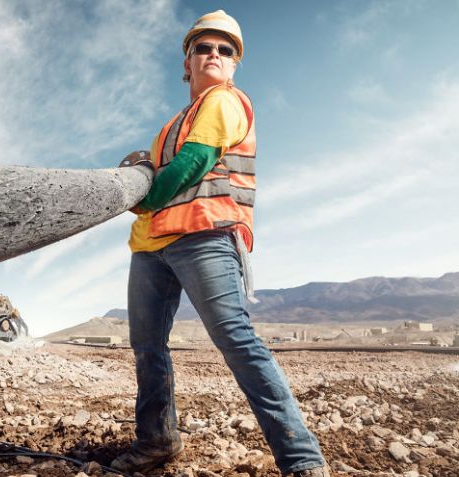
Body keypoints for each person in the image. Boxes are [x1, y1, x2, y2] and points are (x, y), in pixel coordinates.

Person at [112, 10, 330, 476]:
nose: (214, 54)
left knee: (236, 339)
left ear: (233, 65)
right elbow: (157, 171)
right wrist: (141, 169)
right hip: (151, 246)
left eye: (224, 50)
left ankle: (302, 460)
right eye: (203, 48)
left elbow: (191, 164)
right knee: (148, 346)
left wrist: (143, 196)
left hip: (204, 237)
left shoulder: (225, 102)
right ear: (186, 63)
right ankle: (156, 441)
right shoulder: (171, 124)